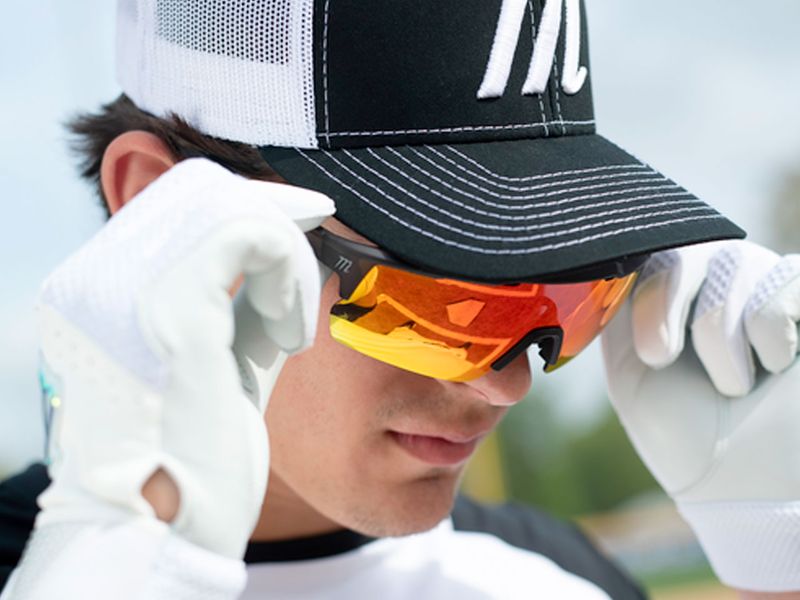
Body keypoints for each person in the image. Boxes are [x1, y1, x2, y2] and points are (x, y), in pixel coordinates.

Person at [1, 1, 799, 598]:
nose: (507, 383)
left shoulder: (562, 580)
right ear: (157, 207)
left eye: (575, 293)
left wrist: (770, 557)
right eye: (430, 296)